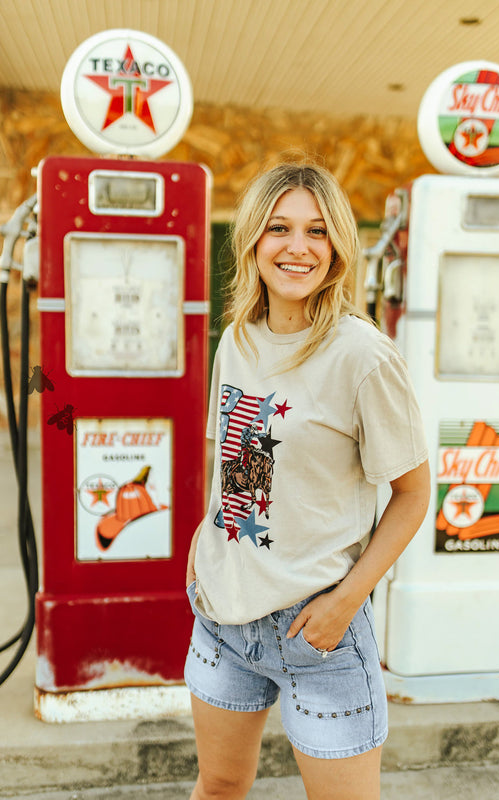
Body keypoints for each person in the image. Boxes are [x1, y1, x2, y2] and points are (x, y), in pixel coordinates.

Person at [185, 162, 430, 800]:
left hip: (317, 629)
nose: (298, 248)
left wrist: (346, 603)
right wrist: (203, 546)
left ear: (338, 247)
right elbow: (238, 461)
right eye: (280, 228)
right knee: (217, 788)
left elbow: (412, 496)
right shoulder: (237, 339)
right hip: (223, 617)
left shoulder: (364, 356)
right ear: (253, 242)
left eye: (317, 232)